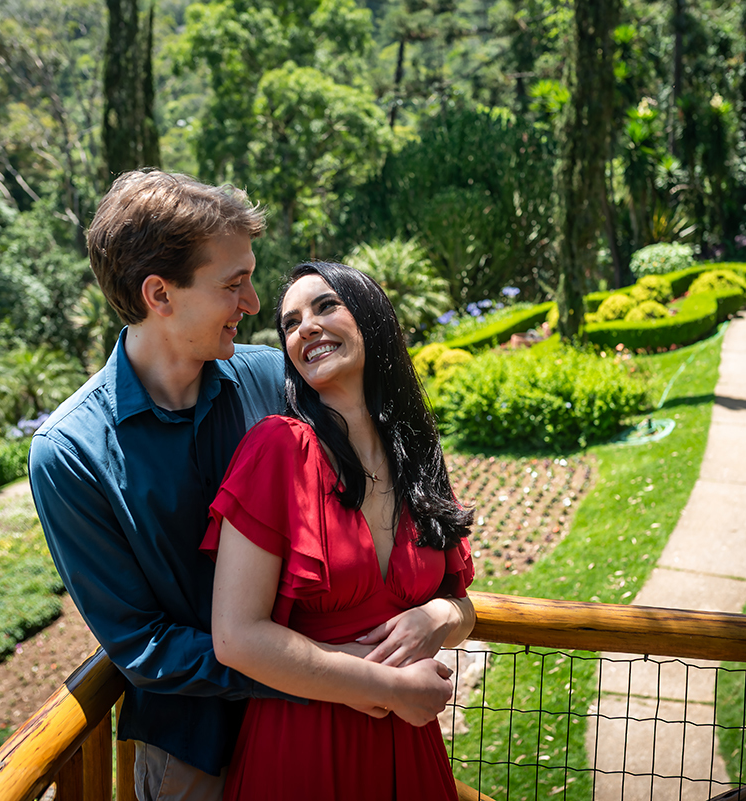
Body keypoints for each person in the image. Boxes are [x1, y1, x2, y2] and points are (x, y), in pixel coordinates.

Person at [29, 171, 464, 800]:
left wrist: (425, 620)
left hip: (336, 723)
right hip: (195, 747)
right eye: (234, 284)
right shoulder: (71, 453)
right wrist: (340, 673)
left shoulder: (271, 379)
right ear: (160, 293)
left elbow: (374, 470)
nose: (255, 304)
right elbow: (143, 645)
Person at [203, 261, 477, 800]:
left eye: (326, 306)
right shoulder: (276, 449)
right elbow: (236, 637)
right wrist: (393, 684)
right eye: (290, 323)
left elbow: (462, 603)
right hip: (304, 746)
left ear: (370, 317)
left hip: (409, 744)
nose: (305, 327)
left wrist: (436, 615)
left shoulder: (417, 454)